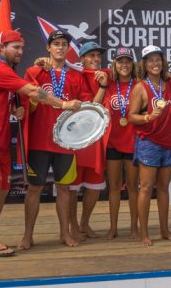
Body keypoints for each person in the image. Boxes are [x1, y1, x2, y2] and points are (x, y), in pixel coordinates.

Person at [0, 30, 80, 257]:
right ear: (2, 48)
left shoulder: (8, 71)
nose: (20, 52)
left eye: (22, 48)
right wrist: (64, 104)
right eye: (15, 47)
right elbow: (34, 91)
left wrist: (14, 109)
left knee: (3, 189)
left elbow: (0, 100)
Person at [19, 30, 89, 249]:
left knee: (65, 189)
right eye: (56, 44)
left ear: (68, 49)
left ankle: (64, 233)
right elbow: (23, 101)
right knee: (34, 189)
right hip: (39, 141)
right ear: (48, 48)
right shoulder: (34, 71)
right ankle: (27, 235)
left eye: (64, 44)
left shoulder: (77, 76)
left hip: (66, 143)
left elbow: (85, 107)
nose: (60, 47)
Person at [128, 45, 171, 246]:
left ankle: (165, 230)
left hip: (169, 143)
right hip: (148, 142)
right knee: (147, 188)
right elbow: (131, 116)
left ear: (163, 62)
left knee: (164, 188)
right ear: (144, 64)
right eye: (150, 60)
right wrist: (148, 116)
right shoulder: (140, 86)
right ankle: (144, 233)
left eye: (158, 59)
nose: (155, 63)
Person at [94, 47, 140, 240]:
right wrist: (102, 86)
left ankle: (134, 228)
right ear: (114, 64)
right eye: (120, 61)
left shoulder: (139, 84)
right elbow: (94, 106)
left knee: (132, 187)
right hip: (112, 142)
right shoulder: (108, 82)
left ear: (133, 64)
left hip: (133, 142)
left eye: (127, 61)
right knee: (113, 187)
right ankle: (113, 227)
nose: (124, 65)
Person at [68, 42, 109, 240]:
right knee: (72, 187)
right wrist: (102, 86)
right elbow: (92, 108)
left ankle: (85, 224)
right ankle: (73, 226)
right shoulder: (75, 75)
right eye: (90, 56)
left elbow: (129, 68)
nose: (95, 59)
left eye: (97, 56)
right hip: (76, 139)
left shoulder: (105, 73)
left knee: (94, 185)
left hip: (96, 140)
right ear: (82, 58)